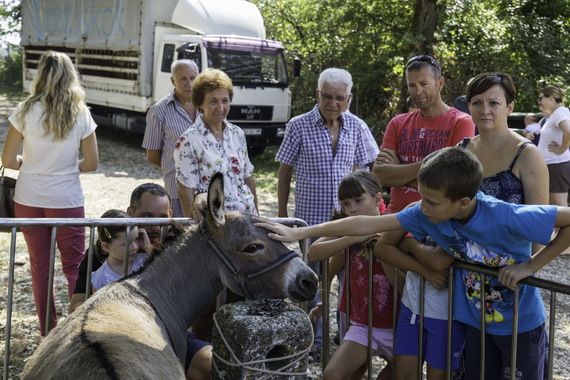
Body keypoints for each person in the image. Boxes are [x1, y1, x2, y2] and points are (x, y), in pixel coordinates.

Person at [257, 147, 570, 380]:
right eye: (422, 197)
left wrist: (531, 265)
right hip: (476, 322)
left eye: (431, 201)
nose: (423, 207)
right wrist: (301, 231)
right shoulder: (426, 211)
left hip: (521, 324)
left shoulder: (505, 215)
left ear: (462, 202)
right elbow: (365, 225)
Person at [275, 67, 379, 352]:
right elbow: (285, 170)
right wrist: (284, 211)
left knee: (350, 279)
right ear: (317, 95)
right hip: (311, 218)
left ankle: (347, 335)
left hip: (348, 221)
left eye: (340, 98)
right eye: (328, 97)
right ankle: (314, 341)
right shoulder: (299, 124)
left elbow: (369, 169)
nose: (333, 103)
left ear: (349, 98)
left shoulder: (357, 126)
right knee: (311, 280)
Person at [1, 51, 99, 336]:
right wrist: (67, 167)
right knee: (75, 268)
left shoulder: (24, 110)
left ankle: (47, 333)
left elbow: (7, 160)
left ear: (40, 76)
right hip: (66, 199)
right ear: (71, 76)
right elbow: (92, 163)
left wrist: (29, 165)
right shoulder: (81, 113)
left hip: (28, 198)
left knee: (40, 269)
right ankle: (77, 333)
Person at [307, 171, 395, 380]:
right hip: (363, 323)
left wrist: (384, 250)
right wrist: (352, 237)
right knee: (334, 374)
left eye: (358, 200)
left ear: (377, 199)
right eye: (346, 204)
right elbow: (315, 253)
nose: (353, 209)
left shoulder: (393, 227)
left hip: (398, 326)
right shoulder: (348, 233)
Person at [374, 54, 475, 215]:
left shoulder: (462, 122)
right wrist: (435, 169)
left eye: (423, 84)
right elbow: (381, 176)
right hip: (395, 217)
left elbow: (450, 182)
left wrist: (399, 169)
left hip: (436, 220)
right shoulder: (397, 123)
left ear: (440, 83)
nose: (418, 91)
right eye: (412, 85)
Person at [175, 68, 258, 219]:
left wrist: (259, 218)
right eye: (213, 101)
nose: (221, 108)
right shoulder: (188, 141)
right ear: (200, 104)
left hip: (248, 218)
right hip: (218, 227)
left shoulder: (237, 134)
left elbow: (247, 177)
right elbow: (185, 191)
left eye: (225, 101)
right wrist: (196, 232)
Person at [142, 60, 199, 217]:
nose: (189, 83)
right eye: (183, 79)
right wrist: (176, 167)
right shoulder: (158, 111)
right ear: (173, 81)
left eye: (193, 78)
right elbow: (152, 155)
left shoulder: (208, 106)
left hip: (207, 191)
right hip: (176, 192)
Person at [90, 209, 152, 291]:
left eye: (136, 239)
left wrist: (148, 248)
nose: (135, 247)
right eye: (126, 244)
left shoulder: (145, 260)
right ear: (107, 247)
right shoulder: (100, 278)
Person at [537, 85, 570, 206]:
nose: (540, 101)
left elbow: (568, 131)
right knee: (553, 207)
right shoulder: (555, 114)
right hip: (552, 166)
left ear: (550, 98)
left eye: (542, 98)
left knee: (560, 206)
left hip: (557, 166)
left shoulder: (560, 113)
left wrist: (561, 150)